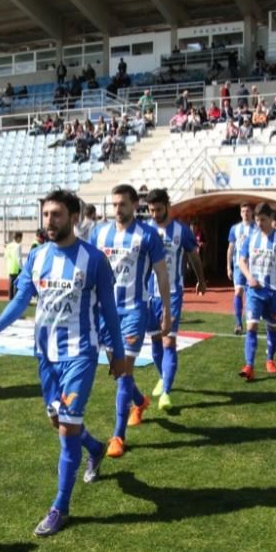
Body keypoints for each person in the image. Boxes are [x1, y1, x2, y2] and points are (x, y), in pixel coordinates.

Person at [0, 190, 125, 537]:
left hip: (80, 354)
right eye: (46, 214)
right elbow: (21, 300)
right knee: (58, 421)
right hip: (45, 354)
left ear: (74, 217)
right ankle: (95, 448)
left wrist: (117, 353)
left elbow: (109, 311)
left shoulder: (94, 260)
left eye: (57, 214)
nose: (49, 221)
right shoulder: (37, 256)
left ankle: (60, 506)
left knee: (66, 429)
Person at [90, 184, 170, 459]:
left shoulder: (148, 235)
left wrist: (167, 312)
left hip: (135, 310)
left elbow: (161, 274)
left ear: (135, 205)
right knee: (118, 370)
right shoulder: (99, 233)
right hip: (104, 312)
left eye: (123, 204)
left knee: (124, 372)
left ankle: (117, 436)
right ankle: (141, 401)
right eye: (114, 204)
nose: (117, 209)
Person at [144, 189, 207, 411]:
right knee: (154, 341)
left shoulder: (182, 231)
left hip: (171, 292)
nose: (154, 214)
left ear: (167, 207)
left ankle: (167, 394)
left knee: (168, 341)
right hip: (147, 294)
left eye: (158, 209)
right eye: (151, 210)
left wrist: (201, 280)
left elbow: (194, 256)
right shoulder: (144, 229)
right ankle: (163, 377)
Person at [237, 203, 276, 381]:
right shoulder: (251, 238)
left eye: (263, 220)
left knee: (272, 327)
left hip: (274, 292)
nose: (260, 224)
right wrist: (249, 276)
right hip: (254, 292)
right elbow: (242, 260)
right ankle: (249, 366)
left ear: (271, 219)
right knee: (251, 327)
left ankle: (270, 359)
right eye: (257, 220)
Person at [227, 202, 256, 335]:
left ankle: (253, 319)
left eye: (248, 211)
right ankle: (238, 323)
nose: (245, 213)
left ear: (252, 213)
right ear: (240, 213)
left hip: (254, 267)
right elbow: (231, 248)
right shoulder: (235, 228)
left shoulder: (257, 228)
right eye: (243, 211)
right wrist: (228, 266)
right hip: (239, 266)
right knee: (238, 292)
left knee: (252, 295)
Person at [4, 232, 23, 300]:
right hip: (16, 267)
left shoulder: (9, 245)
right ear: (18, 238)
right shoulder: (18, 246)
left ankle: (10, 298)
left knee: (10, 284)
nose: (21, 240)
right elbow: (19, 258)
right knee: (16, 284)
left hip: (10, 267)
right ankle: (15, 299)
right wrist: (22, 268)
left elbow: (5, 256)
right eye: (21, 238)